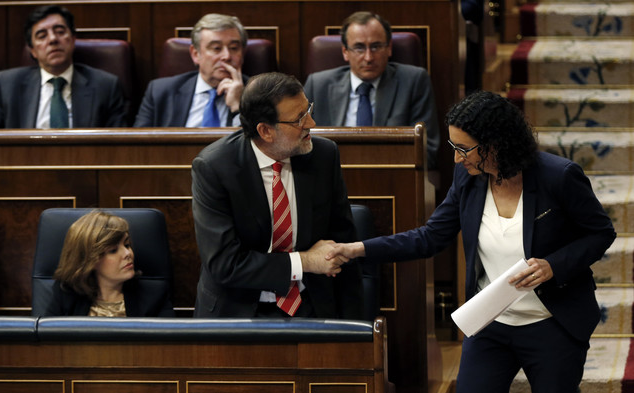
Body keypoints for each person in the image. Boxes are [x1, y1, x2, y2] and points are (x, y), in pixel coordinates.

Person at [326, 91, 616, 392]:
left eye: (464, 149)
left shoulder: (559, 176)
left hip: (552, 322)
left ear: (496, 144)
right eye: (454, 147)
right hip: (490, 322)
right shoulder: (468, 177)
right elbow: (430, 237)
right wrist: (356, 249)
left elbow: (601, 233)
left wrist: (554, 265)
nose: (456, 157)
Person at [191, 72, 364, 319]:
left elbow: (343, 244)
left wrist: (355, 327)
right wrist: (305, 262)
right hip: (236, 311)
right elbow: (224, 264)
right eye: (299, 119)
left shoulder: (324, 155)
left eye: (308, 110)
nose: (311, 123)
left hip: (311, 305)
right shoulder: (215, 168)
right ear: (265, 131)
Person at [304, 11, 440, 168]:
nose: (368, 57)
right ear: (345, 52)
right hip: (330, 178)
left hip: (392, 178)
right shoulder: (318, 84)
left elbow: (427, 150)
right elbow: (300, 143)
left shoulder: (414, 81)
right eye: (359, 48)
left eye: (376, 47)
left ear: (389, 48)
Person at [0, 5, 126, 129]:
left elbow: (117, 146)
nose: (53, 39)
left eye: (60, 32)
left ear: (72, 39)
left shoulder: (106, 86)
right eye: (42, 36)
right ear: (33, 51)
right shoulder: (5, 86)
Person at [39, 210, 175, 317]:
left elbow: (170, 347)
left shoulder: (155, 295)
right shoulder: (66, 294)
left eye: (127, 245)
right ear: (89, 260)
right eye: (113, 250)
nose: (128, 253)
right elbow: (49, 346)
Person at [134, 13, 247, 127]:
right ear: (195, 54)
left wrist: (238, 107)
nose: (226, 56)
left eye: (234, 48)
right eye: (216, 48)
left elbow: (254, 143)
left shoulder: (259, 94)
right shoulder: (160, 91)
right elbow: (138, 142)